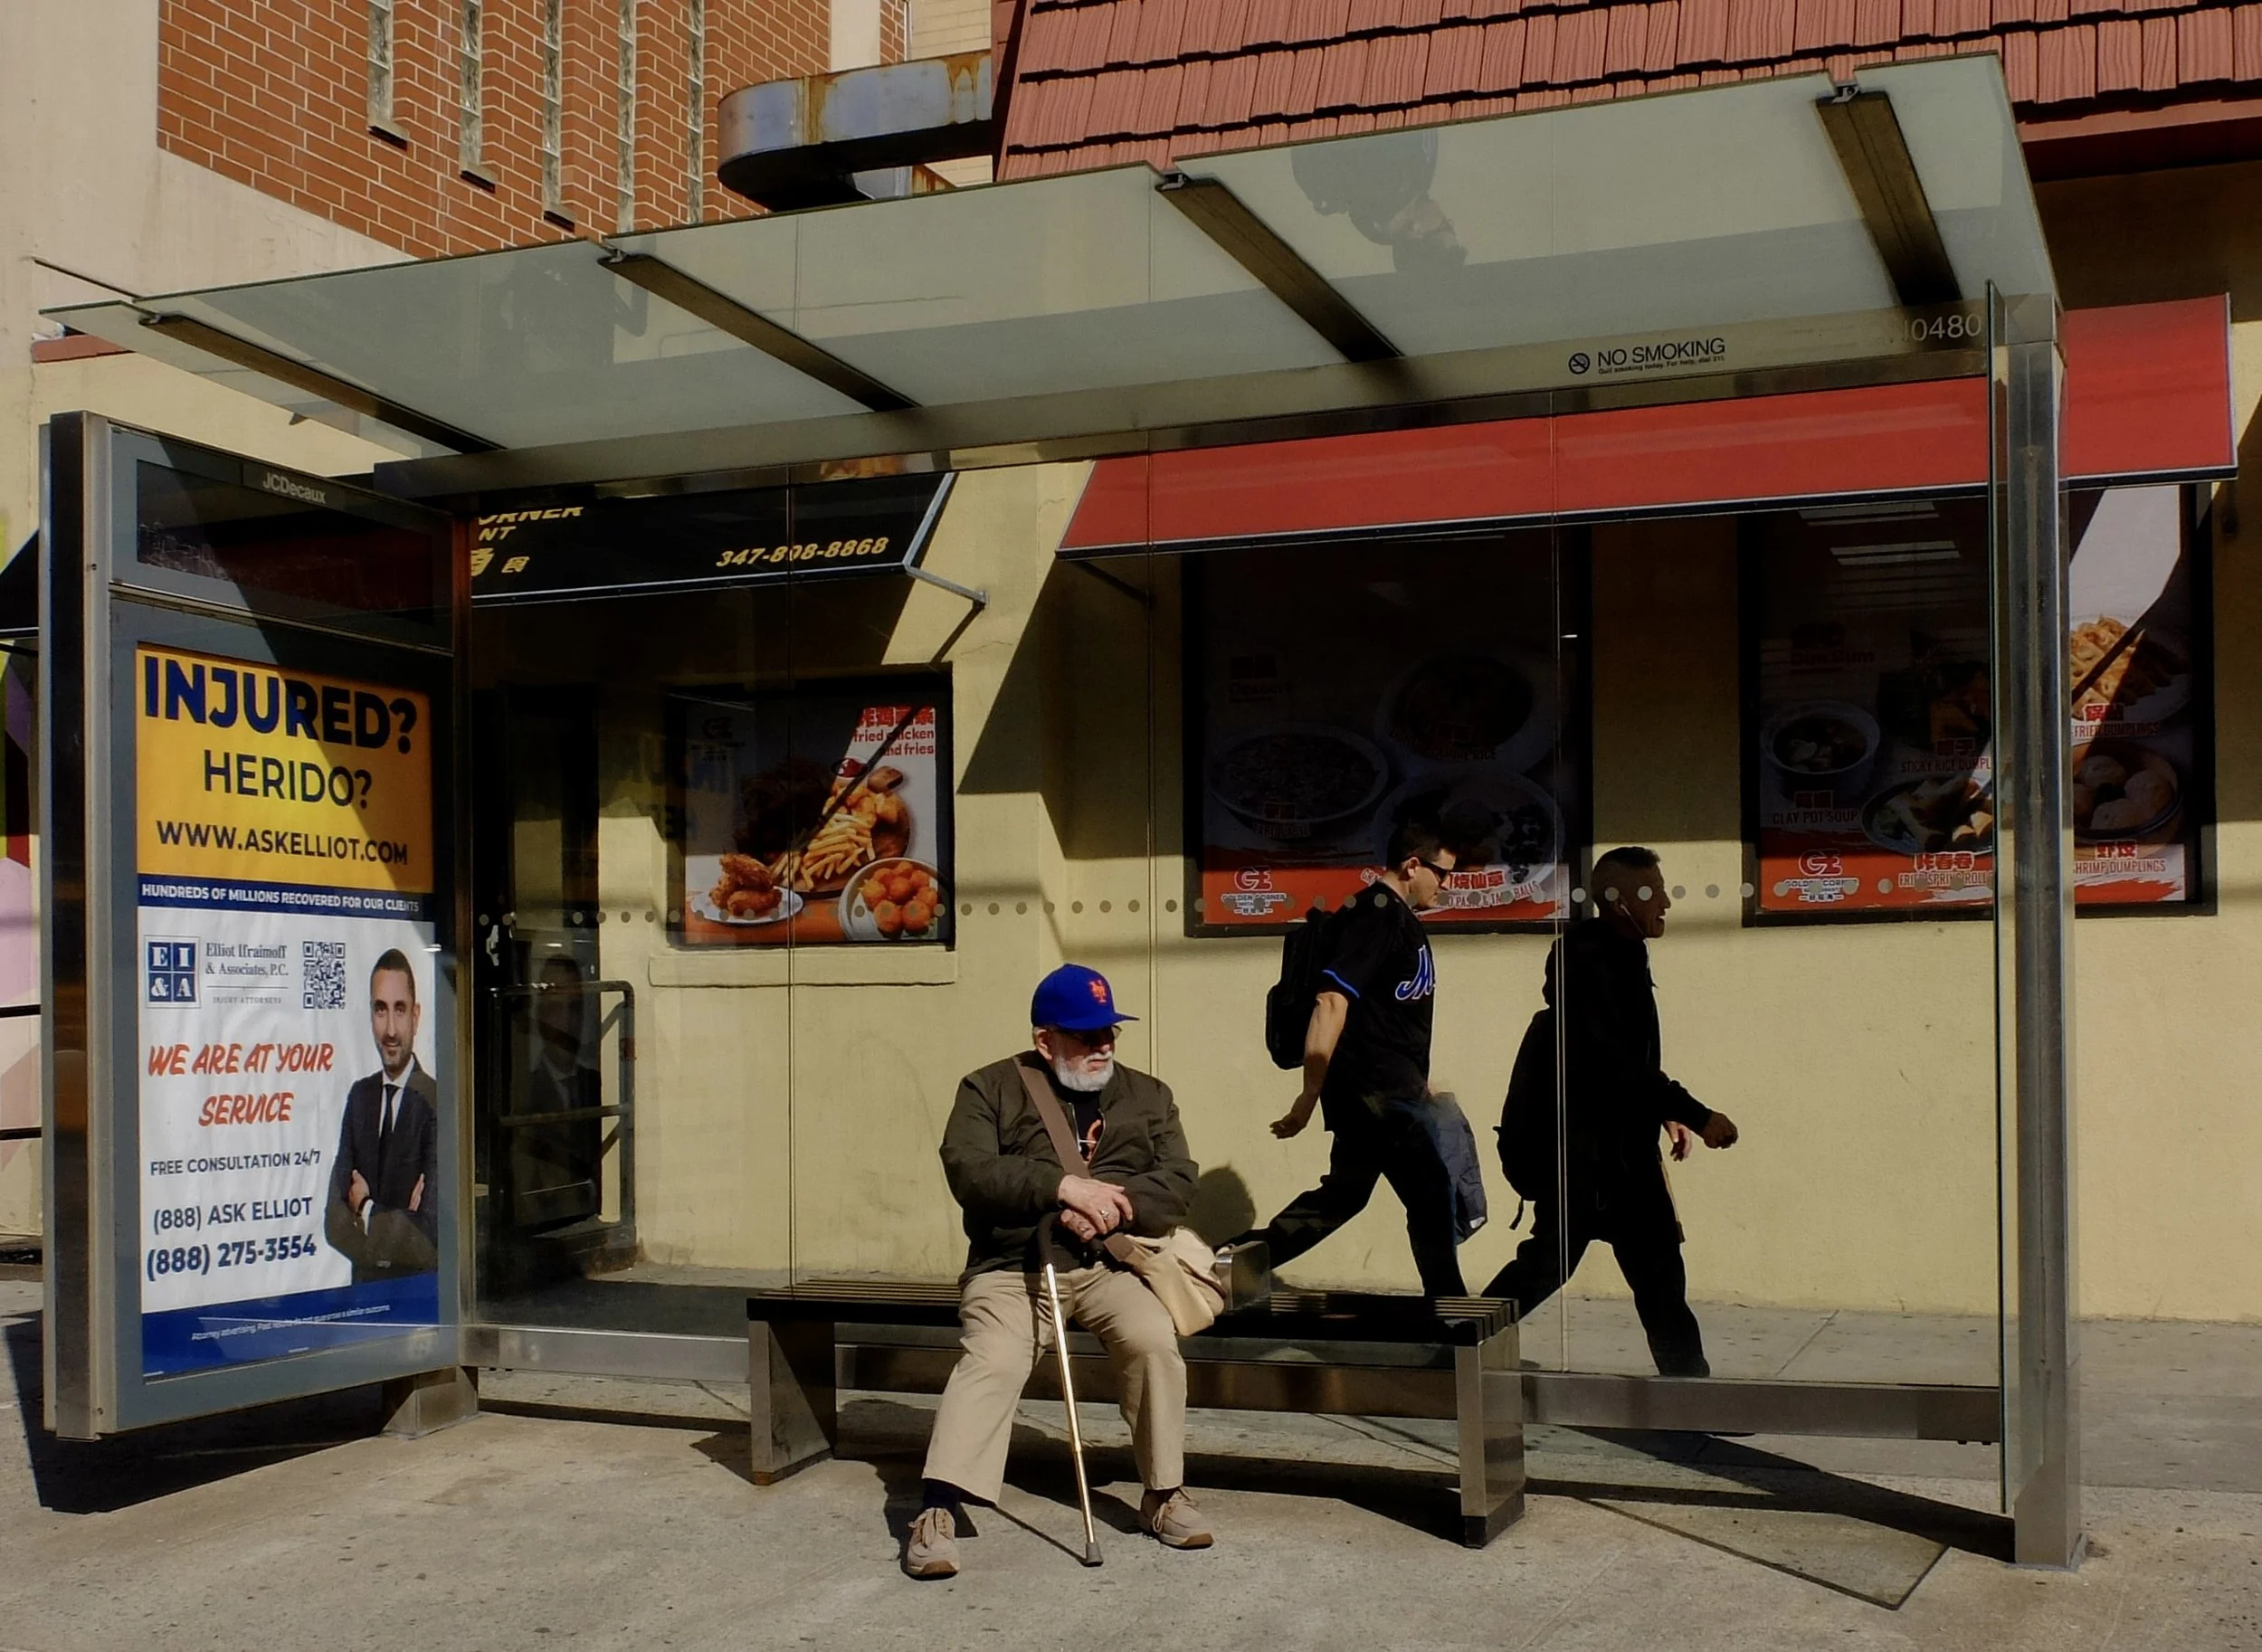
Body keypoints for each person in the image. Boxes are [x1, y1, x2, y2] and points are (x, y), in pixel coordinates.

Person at [904, 964, 1209, 1581]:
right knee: (994, 1358)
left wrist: (1111, 1207)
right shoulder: (988, 1088)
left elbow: (1178, 1181)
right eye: (1085, 1035)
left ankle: (1163, 1493)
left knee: (1153, 1341)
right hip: (1013, 1267)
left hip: (1109, 1267)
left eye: (1109, 1032)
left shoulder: (1150, 1095)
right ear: (1045, 1041)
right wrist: (1061, 1188)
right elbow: (969, 1170)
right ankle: (937, 1508)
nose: (1103, 1047)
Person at [1484, 846, 1739, 1378]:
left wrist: (1661, 1111)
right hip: (1595, 1158)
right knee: (1555, 1267)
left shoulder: (1622, 954)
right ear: (1620, 902)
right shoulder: (1592, 960)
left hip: (1616, 1152)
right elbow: (1612, 1061)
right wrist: (1695, 1113)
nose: (1666, 902)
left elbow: (1625, 1061)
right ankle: (1455, 1347)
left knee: (1652, 1275)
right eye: (1653, 892)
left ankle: (1687, 1387)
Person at [1241, 820, 1467, 1298]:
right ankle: (1450, 1309)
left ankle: (1220, 1265)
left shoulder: (1394, 916)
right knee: (1430, 1195)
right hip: (1376, 1096)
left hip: (1388, 1090)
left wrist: (1419, 1079)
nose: (1447, 885)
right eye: (1443, 873)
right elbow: (1331, 1002)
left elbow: (1385, 1016)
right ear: (1412, 865)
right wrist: (1308, 1095)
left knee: (1342, 1198)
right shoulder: (1377, 915)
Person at [323, 949, 441, 1282]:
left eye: (400, 1010)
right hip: (365, 1294)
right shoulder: (359, 1097)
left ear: (416, 1017)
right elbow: (334, 1222)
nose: (390, 1029)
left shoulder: (436, 1102)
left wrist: (364, 1208)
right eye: (380, 1009)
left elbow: (429, 1238)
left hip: (416, 1295)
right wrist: (401, 1226)